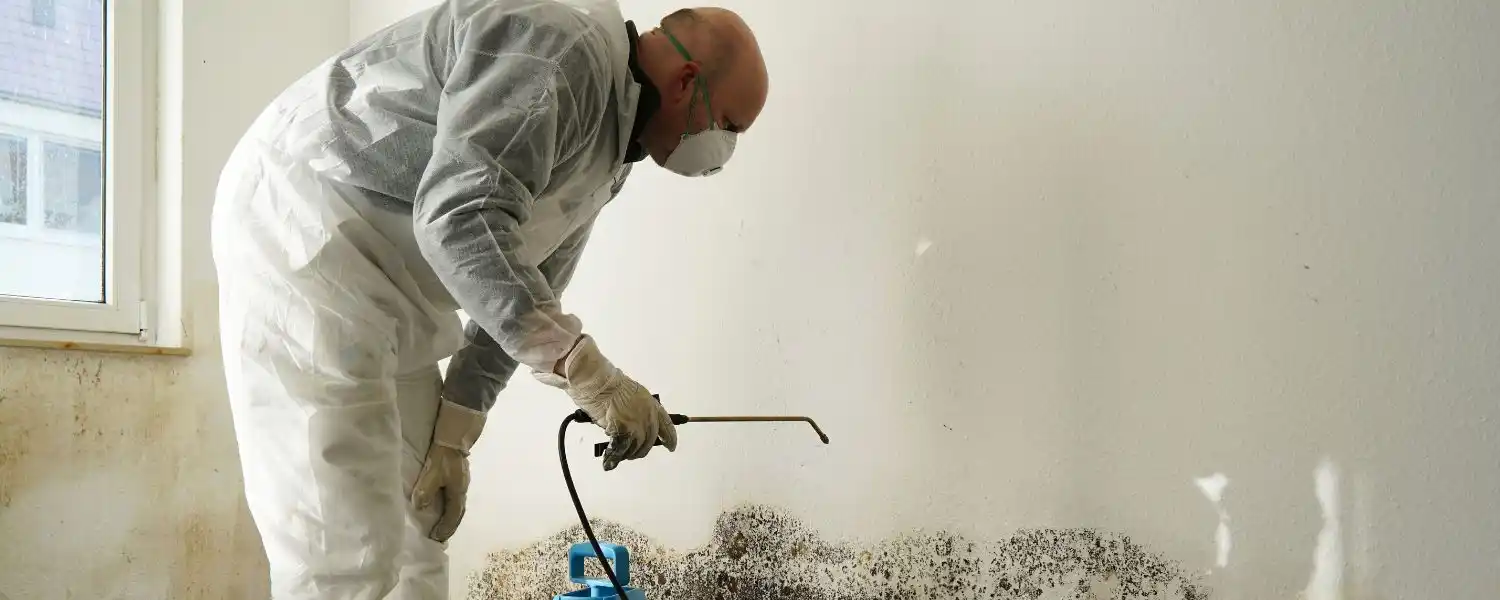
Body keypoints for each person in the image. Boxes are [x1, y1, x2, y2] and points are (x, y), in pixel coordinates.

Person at [209, 0, 769, 597]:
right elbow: (458, 217)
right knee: (347, 550)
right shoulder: (561, 50)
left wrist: (455, 433)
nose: (724, 149)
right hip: (308, 234)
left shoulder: (612, 144)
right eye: (729, 126)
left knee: (420, 527)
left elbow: (525, 288)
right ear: (686, 82)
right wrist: (589, 374)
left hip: (393, 286)